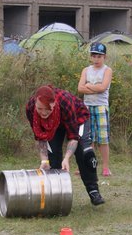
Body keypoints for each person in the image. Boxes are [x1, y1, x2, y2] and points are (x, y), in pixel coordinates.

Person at [26, 85, 105, 206]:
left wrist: (67, 158)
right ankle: (57, 196)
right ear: (35, 102)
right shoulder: (30, 108)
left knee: (84, 152)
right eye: (40, 108)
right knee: (53, 159)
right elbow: (40, 136)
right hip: (54, 123)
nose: (43, 112)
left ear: (54, 103)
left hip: (77, 117)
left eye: (47, 109)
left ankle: (93, 191)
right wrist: (44, 160)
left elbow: (73, 137)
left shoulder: (65, 102)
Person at [78, 42, 113, 177]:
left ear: (104, 57)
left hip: (101, 106)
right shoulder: (86, 70)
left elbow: (103, 88)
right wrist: (95, 87)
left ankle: (105, 167)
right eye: (94, 56)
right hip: (87, 106)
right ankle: (88, 165)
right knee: (88, 138)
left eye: (99, 56)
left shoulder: (107, 70)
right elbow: (80, 88)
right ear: (90, 56)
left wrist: (88, 85)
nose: (96, 59)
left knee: (103, 138)